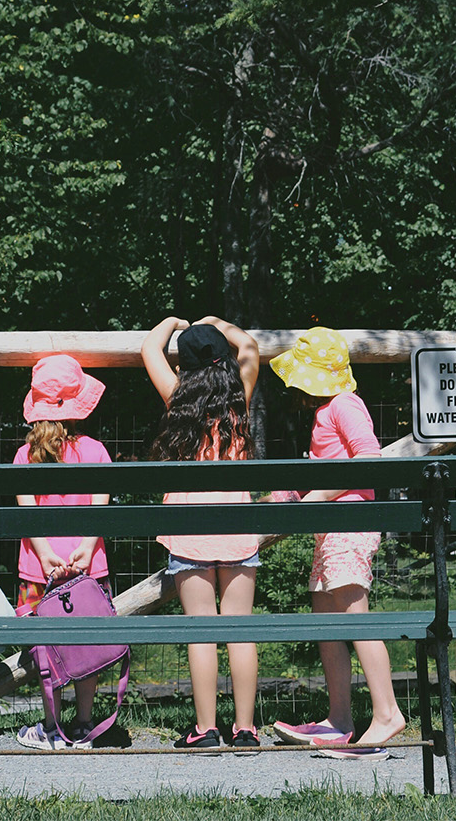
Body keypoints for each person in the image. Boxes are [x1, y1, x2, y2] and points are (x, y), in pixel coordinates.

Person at [266, 327, 403, 760]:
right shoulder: (329, 409)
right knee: (327, 616)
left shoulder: (345, 405)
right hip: (332, 527)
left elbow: (367, 460)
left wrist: (320, 495)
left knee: (354, 616)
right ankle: (339, 720)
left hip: (349, 524)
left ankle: (386, 714)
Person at [142, 315, 261, 753]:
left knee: (201, 631)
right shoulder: (239, 404)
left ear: (185, 369)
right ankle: (246, 729)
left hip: (190, 532)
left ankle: (206, 729)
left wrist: (172, 322)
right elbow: (249, 346)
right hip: (237, 531)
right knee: (241, 630)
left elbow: (148, 350)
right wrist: (218, 322)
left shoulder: (179, 401)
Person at [11, 354, 113, 751]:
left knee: (46, 649)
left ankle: (52, 728)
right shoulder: (95, 450)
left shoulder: (25, 455)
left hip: (40, 569)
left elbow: (27, 509)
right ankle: (85, 725)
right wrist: (87, 548)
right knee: (86, 646)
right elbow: (100, 506)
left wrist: (46, 552)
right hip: (89, 568)